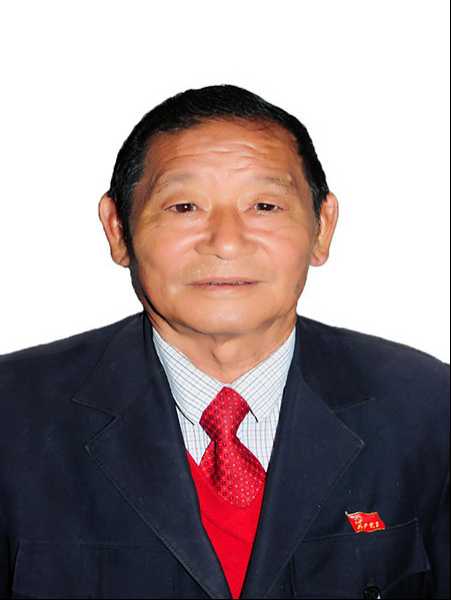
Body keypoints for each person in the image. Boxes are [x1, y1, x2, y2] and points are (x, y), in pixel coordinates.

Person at [0, 84, 448, 600]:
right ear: (118, 228)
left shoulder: (427, 409)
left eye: (264, 205)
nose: (226, 242)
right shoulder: (14, 415)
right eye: (184, 206)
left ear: (322, 227)